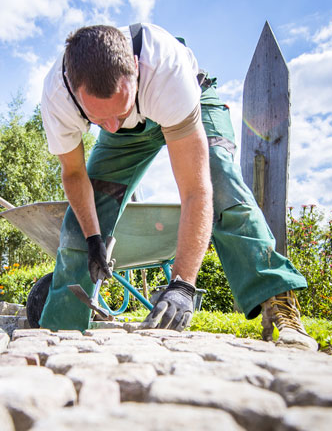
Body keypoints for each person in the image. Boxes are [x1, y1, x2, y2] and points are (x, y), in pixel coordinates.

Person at [38, 22, 317, 351]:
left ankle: (280, 308)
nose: (110, 126)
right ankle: (57, 334)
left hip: (190, 105)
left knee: (222, 183)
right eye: (98, 120)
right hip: (126, 137)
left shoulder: (166, 71)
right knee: (79, 225)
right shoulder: (59, 96)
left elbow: (195, 190)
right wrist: (93, 237)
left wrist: (183, 284)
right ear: (75, 90)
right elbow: (74, 174)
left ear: (137, 71)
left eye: (120, 110)